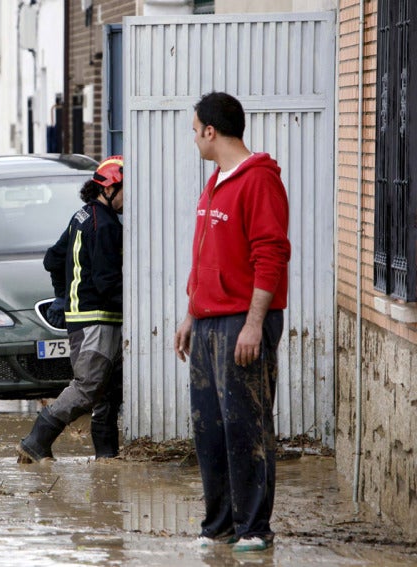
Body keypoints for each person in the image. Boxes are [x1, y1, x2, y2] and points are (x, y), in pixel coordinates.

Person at [173, 92, 291, 553]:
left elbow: (271, 253)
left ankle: (254, 528)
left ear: (210, 131)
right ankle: (218, 523)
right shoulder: (216, 180)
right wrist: (189, 314)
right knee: (211, 427)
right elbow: (205, 254)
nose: (194, 138)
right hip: (206, 323)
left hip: (242, 322)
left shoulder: (258, 180)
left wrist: (253, 324)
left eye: (195, 129)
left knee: (247, 425)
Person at [17, 156, 125, 463]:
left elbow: (53, 259)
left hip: (84, 318)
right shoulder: (105, 225)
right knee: (89, 387)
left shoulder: (81, 216)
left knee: (106, 391)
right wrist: (141, 309)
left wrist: (62, 296)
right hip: (95, 319)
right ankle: (37, 439)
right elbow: (107, 283)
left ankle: (107, 457)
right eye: (126, 190)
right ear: (109, 189)